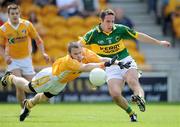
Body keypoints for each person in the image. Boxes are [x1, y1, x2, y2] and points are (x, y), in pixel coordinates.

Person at [0, 41, 130, 121]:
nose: (79, 56)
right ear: (70, 54)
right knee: (28, 88)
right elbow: (85, 67)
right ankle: (10, 77)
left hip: (61, 82)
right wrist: (106, 65)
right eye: (75, 54)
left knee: (44, 98)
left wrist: (117, 62)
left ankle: (28, 105)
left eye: (80, 53)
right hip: (50, 76)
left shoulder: (85, 53)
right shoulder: (69, 61)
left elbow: (99, 59)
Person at [80, 8, 171, 122]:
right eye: (108, 21)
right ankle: (131, 113)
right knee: (115, 95)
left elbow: (139, 36)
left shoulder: (120, 29)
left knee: (133, 81)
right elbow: (78, 46)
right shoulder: (92, 34)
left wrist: (159, 42)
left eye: (112, 21)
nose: (111, 24)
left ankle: (140, 98)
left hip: (125, 60)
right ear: (101, 20)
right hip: (110, 66)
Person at [0, 4, 50, 109]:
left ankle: (29, 104)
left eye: (16, 13)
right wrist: (5, 57)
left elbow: (38, 40)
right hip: (13, 60)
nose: (15, 15)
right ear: (8, 15)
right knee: (20, 87)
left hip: (26, 59)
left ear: (20, 14)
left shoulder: (27, 24)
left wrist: (43, 53)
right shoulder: (3, 29)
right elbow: (0, 46)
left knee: (34, 85)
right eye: (12, 13)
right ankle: (24, 109)